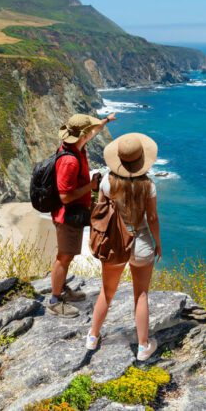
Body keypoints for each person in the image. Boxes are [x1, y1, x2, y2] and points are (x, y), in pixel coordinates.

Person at [86, 132, 162, 361]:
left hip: (115, 244)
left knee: (107, 292)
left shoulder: (108, 182)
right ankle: (142, 346)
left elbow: (100, 209)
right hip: (141, 242)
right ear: (141, 160)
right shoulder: (148, 185)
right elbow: (153, 218)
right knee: (141, 295)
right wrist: (158, 244)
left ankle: (92, 337)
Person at [48, 112, 116, 318]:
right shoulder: (70, 161)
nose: (91, 134)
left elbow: (92, 132)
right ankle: (54, 299)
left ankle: (60, 290)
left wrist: (105, 121)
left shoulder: (76, 147)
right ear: (82, 135)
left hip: (73, 213)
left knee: (67, 256)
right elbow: (65, 196)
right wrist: (91, 186)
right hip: (66, 216)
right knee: (64, 257)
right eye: (88, 131)